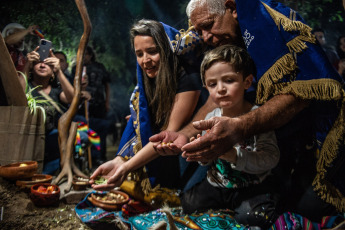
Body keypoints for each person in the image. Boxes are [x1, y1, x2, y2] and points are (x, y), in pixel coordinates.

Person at [150, 0, 345, 222]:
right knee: (192, 201)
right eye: (199, 31)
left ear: (232, 9)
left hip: (312, 143)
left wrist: (240, 128)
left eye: (208, 25)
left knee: (307, 209)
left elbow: (303, 93)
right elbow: (216, 102)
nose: (205, 37)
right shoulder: (229, 42)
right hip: (261, 150)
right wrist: (184, 135)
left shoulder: (269, 25)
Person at [90, 19, 205, 192]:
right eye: (139, 54)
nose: (145, 60)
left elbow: (168, 136)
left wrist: (126, 168)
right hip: (166, 151)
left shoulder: (188, 77)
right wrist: (119, 160)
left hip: (193, 151)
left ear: (166, 50)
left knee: (187, 199)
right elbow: (138, 120)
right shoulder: (146, 86)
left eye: (152, 51)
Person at [180, 45, 280, 228]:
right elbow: (208, 161)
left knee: (255, 217)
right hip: (217, 183)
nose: (221, 89)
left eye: (229, 80)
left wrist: (234, 156)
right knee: (188, 205)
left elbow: (271, 158)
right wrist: (202, 155)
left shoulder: (257, 118)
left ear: (247, 82)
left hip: (252, 186)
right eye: (212, 84)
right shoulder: (210, 119)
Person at [25, 46, 74, 174]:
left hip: (52, 151)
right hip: (28, 146)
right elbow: (15, 93)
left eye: (47, 63)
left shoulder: (56, 92)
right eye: (38, 62)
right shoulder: (26, 87)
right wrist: (26, 65)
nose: (42, 65)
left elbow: (72, 98)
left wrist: (59, 71)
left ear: (52, 72)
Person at [71, 46, 111, 164]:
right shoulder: (75, 68)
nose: (84, 57)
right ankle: (84, 156)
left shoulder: (99, 67)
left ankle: (99, 157)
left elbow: (107, 85)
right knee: (86, 127)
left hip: (98, 103)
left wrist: (107, 102)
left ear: (91, 55)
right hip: (81, 105)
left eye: (87, 54)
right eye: (82, 54)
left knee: (101, 128)